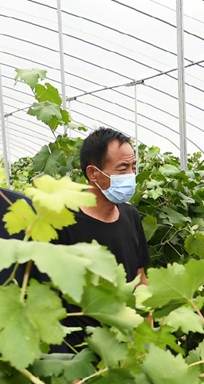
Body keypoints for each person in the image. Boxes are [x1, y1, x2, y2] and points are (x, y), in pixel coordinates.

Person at [56, 127, 150, 349]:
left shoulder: (131, 215)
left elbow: (141, 281)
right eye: (122, 168)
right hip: (80, 351)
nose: (130, 175)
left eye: (133, 167)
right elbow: (50, 296)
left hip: (126, 344)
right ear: (93, 173)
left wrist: (148, 339)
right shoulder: (64, 221)